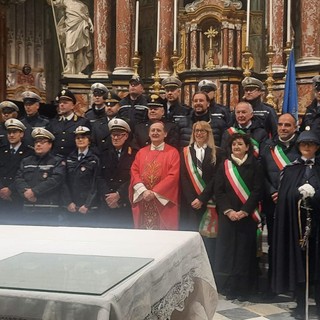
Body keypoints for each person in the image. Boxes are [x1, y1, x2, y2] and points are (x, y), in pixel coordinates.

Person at [272, 130, 320, 320]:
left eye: (311, 144)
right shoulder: (290, 169)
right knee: (299, 263)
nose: (307, 147)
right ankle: (300, 304)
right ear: (299, 147)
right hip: (296, 226)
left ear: (317, 147)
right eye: (303, 144)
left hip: (317, 225)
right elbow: (284, 197)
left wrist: (314, 195)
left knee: (316, 264)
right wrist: (297, 195)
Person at [215, 133, 263, 301]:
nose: (236, 147)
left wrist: (244, 211)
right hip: (229, 217)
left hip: (246, 217)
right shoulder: (224, 165)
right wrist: (229, 211)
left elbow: (257, 190)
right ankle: (231, 287)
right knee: (230, 252)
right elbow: (218, 191)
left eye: (240, 144)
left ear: (247, 147)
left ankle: (245, 289)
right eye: (234, 144)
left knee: (245, 252)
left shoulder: (255, 165)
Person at [260, 113, 300, 295]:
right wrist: (271, 192)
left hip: (294, 204)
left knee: (294, 243)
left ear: (295, 127)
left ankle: (294, 284)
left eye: (287, 125)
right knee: (274, 243)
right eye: (280, 125)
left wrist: (287, 194)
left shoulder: (301, 146)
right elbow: (262, 174)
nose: (283, 128)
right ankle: (274, 282)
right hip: (272, 202)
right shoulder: (268, 146)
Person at [180, 121, 225, 269]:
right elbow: (183, 177)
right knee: (191, 237)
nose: (199, 133)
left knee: (209, 241)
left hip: (210, 202)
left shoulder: (217, 152)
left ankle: (208, 269)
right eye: (196, 131)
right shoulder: (185, 152)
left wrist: (202, 198)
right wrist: (192, 199)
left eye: (202, 131)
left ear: (208, 133)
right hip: (190, 203)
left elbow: (217, 178)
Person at [129, 121, 180, 230]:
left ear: (165, 134)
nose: (155, 133)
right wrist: (143, 191)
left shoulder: (173, 152)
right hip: (144, 198)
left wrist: (155, 192)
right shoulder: (141, 152)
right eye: (153, 130)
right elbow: (134, 171)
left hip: (162, 201)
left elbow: (173, 176)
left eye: (158, 130)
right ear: (149, 133)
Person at [14, 128, 66, 226]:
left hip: (49, 210)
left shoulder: (56, 161)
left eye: (42, 142)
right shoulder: (26, 161)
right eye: (36, 142)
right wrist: (25, 192)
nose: (38, 144)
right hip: (28, 209)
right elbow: (18, 178)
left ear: (50, 145)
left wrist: (34, 192)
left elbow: (56, 179)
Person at [98, 118, 137, 228]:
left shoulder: (134, 154)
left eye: (119, 135)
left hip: (124, 202)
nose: (115, 138)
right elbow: (98, 176)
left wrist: (119, 194)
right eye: (113, 135)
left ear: (126, 136)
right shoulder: (103, 153)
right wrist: (109, 197)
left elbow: (134, 178)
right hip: (106, 202)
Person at [62, 126, 99, 226]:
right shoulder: (70, 158)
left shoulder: (94, 159)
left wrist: (88, 204)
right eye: (78, 138)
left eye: (83, 137)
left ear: (89, 140)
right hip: (72, 206)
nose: (80, 140)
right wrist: (68, 202)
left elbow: (95, 183)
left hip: (88, 207)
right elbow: (64, 182)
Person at [0, 119, 33, 224]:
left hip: (17, 196)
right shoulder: (1, 150)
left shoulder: (29, 152)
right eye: (9, 132)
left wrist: (10, 189)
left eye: (15, 132)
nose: (11, 135)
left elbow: (26, 175)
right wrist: (1, 188)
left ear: (21, 134)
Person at [52, 0, 93, 74]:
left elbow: (87, 17)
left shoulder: (83, 5)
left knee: (80, 49)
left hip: (81, 26)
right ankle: (70, 67)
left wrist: (90, 23)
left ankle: (79, 70)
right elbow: (54, 3)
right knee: (69, 47)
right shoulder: (66, 1)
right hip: (71, 27)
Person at [46, 89, 90, 157]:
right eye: (60, 103)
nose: (62, 105)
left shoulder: (82, 122)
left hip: (73, 160)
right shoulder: (53, 123)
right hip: (56, 161)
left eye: (65, 103)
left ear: (72, 105)